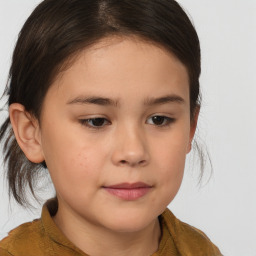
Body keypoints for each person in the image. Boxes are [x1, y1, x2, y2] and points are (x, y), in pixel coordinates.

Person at [0, 0, 222, 255]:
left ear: (190, 128)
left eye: (159, 119)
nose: (133, 152)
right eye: (96, 121)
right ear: (31, 133)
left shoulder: (200, 250)